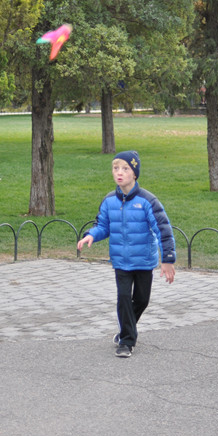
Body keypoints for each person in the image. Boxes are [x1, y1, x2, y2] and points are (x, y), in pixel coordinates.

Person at [77, 150, 177, 357]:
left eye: (125, 168)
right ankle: (126, 342)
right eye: (115, 168)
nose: (119, 173)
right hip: (121, 261)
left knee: (141, 300)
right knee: (123, 298)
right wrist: (92, 235)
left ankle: (125, 330)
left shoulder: (148, 201)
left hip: (143, 261)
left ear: (135, 173)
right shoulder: (109, 200)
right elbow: (103, 225)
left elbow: (163, 230)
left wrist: (167, 259)